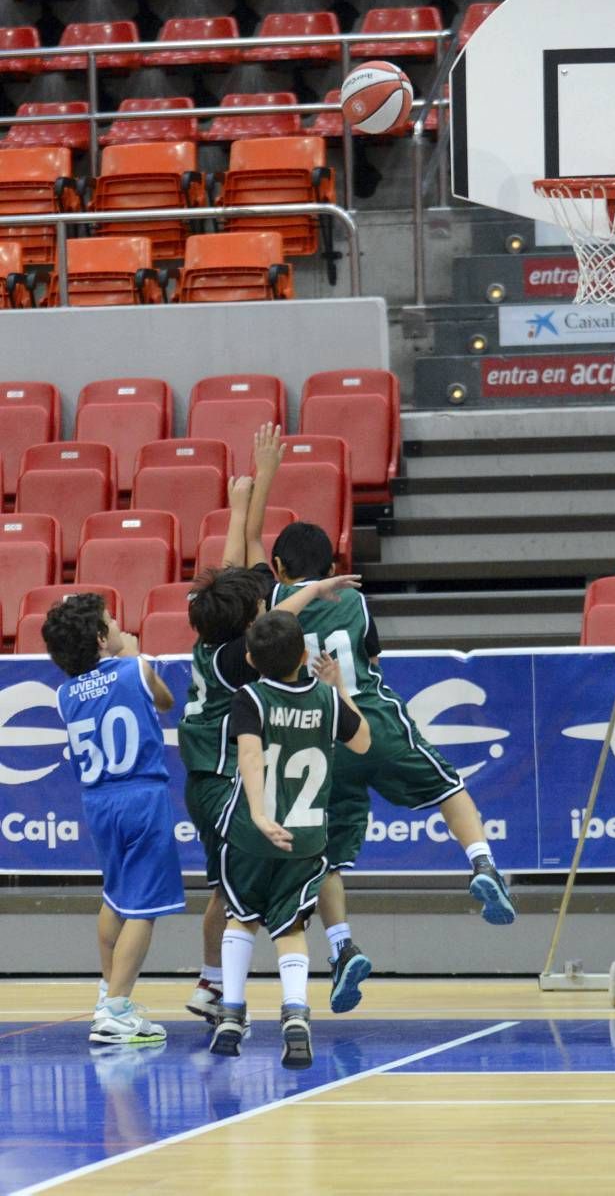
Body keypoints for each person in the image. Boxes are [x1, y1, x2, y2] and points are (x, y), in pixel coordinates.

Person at [270, 522, 517, 1015]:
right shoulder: (355, 602)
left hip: (316, 735)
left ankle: (343, 946)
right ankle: (482, 864)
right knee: (449, 788)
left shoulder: (275, 600)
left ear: (278, 570)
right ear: (333, 568)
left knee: (327, 857)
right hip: (369, 717)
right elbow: (373, 658)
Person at [178, 424, 362, 1026]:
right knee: (238, 895)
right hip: (215, 776)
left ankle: (218, 987)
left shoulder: (213, 621)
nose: (265, 597)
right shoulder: (235, 656)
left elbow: (237, 562)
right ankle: (221, 990)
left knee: (230, 890)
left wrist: (243, 499)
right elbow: (276, 607)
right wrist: (317, 590)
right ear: (249, 629)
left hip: (213, 772)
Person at [210, 609, 370, 1064]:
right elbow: (363, 742)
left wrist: (258, 814)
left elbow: (250, 756)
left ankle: (232, 1012)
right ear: (304, 655)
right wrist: (339, 687)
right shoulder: (327, 700)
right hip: (305, 838)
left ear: (250, 658)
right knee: (292, 927)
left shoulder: (250, 698)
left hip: (252, 835)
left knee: (240, 919)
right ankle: (296, 1012)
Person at [42, 592, 184, 1046]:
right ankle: (117, 1010)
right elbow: (164, 702)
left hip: (98, 801)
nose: (119, 622)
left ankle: (108, 994)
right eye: (111, 620)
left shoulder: (64, 694)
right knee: (143, 908)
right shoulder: (135, 668)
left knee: (116, 897)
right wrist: (134, 656)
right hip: (141, 795)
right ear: (103, 637)